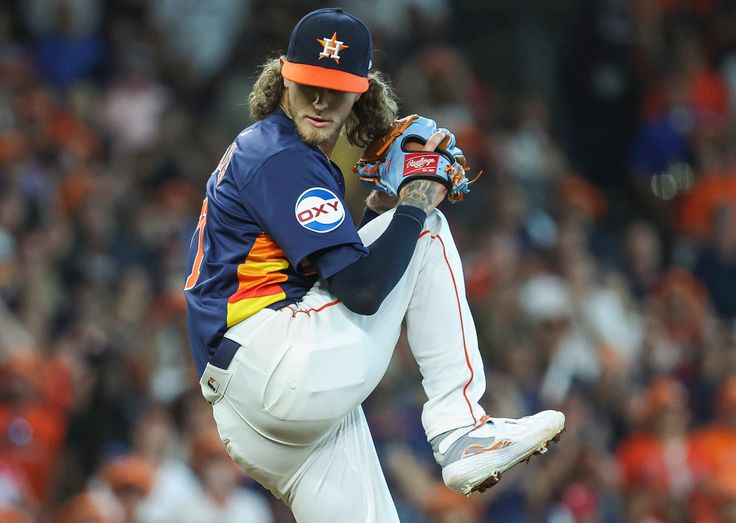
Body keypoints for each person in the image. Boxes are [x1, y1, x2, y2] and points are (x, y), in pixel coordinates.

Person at [184, 8, 564, 521]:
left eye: (335, 89)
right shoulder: (283, 157)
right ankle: (461, 427)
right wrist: (413, 202)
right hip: (275, 365)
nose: (320, 100)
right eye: (308, 84)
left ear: (360, 93)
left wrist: (383, 211)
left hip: (262, 415)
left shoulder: (277, 153)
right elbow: (362, 291)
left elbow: (341, 279)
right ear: (282, 78)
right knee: (427, 229)